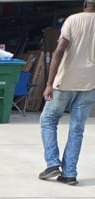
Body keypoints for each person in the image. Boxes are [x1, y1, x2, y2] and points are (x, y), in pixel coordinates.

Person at [38, 0, 95, 185]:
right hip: (89, 84)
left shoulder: (73, 20)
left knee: (48, 119)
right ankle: (70, 173)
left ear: (85, 3)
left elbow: (59, 50)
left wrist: (49, 83)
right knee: (77, 129)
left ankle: (53, 163)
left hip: (65, 82)